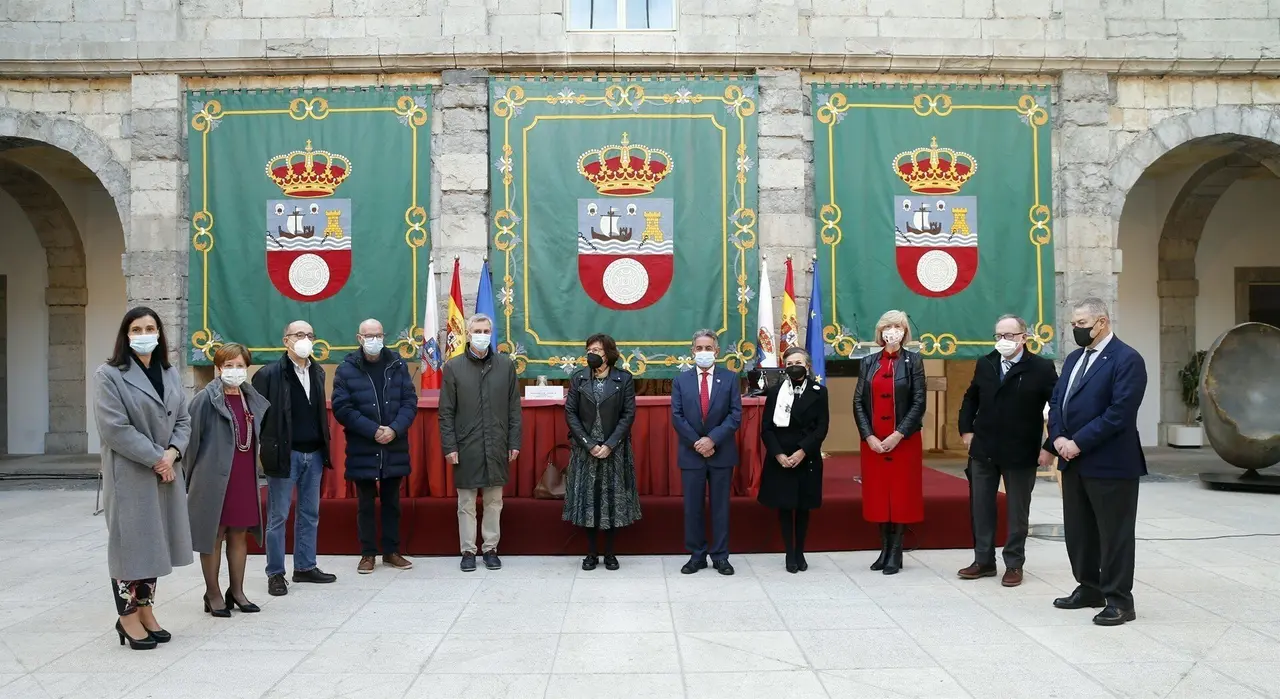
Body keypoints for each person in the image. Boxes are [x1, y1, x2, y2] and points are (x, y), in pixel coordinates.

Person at [93, 307, 192, 650]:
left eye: (151, 327)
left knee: (153, 541)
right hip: (131, 474)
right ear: (126, 334)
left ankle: (147, 610)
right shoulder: (109, 375)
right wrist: (156, 458)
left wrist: (173, 454)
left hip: (165, 472)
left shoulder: (169, 372)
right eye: (137, 328)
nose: (145, 333)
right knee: (129, 545)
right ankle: (127, 617)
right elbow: (114, 428)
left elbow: (183, 419)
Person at [1048, 297, 1147, 626]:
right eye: (1074, 324)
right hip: (1073, 461)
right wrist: (1058, 437)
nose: (1076, 330)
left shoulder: (1127, 359)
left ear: (1101, 322)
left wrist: (1078, 442)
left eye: (1080, 324)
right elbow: (1057, 399)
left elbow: (1119, 413)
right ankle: (1089, 587)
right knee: (1079, 531)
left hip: (1110, 463)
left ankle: (1119, 600)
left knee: (1113, 533)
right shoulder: (1075, 357)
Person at [957, 315, 1060, 588]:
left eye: (1009, 336)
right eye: (998, 336)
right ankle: (983, 560)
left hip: (1020, 449)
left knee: (1017, 511)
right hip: (984, 448)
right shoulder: (986, 363)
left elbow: (1058, 406)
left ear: (1024, 337)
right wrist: (966, 430)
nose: (1003, 341)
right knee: (981, 506)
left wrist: (1050, 446)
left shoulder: (1040, 367)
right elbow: (971, 398)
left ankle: (1014, 563)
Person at [251, 320, 337, 596]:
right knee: (278, 516)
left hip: (313, 453)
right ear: (286, 339)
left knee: (310, 514)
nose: (305, 339)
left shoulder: (318, 371)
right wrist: (268, 449)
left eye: (310, 334)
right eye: (299, 334)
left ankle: (304, 566)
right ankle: (275, 573)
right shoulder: (268, 374)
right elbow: (258, 418)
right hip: (284, 455)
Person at [185, 343, 269, 617]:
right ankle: (213, 593)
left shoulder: (251, 397)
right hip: (211, 478)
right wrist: (188, 482)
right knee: (214, 534)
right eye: (228, 366)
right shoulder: (204, 400)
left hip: (243, 475)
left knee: (239, 533)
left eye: (240, 366)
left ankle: (238, 591)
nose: (234, 371)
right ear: (218, 369)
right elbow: (190, 443)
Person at [332, 318, 419, 574]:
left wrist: (394, 429)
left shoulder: (397, 364)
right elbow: (342, 407)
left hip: (394, 446)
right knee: (366, 503)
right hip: (364, 447)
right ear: (359, 338)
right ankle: (368, 553)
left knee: (392, 503)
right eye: (369, 336)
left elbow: (409, 402)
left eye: (378, 335)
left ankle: (391, 551)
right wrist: (373, 431)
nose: (374, 340)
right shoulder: (346, 369)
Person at [439, 313, 521, 572]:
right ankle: (467, 551)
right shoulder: (453, 367)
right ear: (468, 332)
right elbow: (446, 412)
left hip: (497, 442)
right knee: (466, 503)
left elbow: (514, 409)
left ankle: (490, 548)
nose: (482, 335)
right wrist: (449, 446)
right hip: (466, 445)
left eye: (486, 331)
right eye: (478, 330)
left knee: (494, 501)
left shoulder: (506, 365)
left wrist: (514, 441)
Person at [853, 310, 926, 576]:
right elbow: (858, 402)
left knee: (901, 496)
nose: (892, 330)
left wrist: (898, 434)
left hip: (903, 441)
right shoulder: (868, 362)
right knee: (879, 497)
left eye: (897, 326)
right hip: (873, 442)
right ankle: (884, 549)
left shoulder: (913, 362)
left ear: (905, 332)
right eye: (887, 326)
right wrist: (868, 435)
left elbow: (919, 402)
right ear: (880, 331)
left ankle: (896, 551)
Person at [563, 333, 642, 571]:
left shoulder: (624, 379)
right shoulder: (578, 379)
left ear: (608, 354)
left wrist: (609, 444)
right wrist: (589, 444)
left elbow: (628, 415)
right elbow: (570, 415)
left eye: (597, 350)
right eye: (590, 350)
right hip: (585, 450)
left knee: (611, 500)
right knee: (588, 500)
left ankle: (610, 553)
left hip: (614, 451)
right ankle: (590, 552)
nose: (592, 354)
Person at [671, 329, 743, 576]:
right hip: (691, 454)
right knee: (693, 507)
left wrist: (712, 440)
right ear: (692, 352)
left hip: (721, 453)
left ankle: (721, 556)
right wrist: (698, 443)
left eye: (708, 348)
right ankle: (697, 555)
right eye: (699, 348)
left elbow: (735, 415)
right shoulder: (681, 381)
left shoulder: (730, 378)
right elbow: (677, 417)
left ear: (717, 351)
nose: (704, 352)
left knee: (720, 507)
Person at [759, 347, 830, 574]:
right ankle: (789, 552)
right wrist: (778, 454)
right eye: (788, 364)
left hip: (805, 457)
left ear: (807, 365)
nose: (793, 367)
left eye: (797, 362)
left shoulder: (820, 391)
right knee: (784, 507)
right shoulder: (774, 391)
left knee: (802, 508)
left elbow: (821, 427)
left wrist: (802, 452)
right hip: (781, 457)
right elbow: (767, 429)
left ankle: (800, 550)